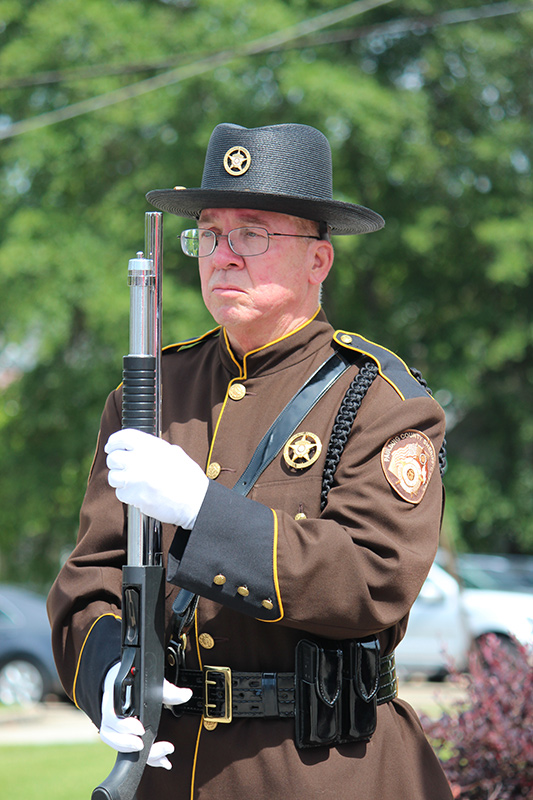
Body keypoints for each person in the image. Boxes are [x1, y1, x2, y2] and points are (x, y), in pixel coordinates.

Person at [47, 122, 452, 799]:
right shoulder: (153, 392)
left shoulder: (377, 399)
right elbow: (89, 580)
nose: (223, 256)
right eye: (208, 234)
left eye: (253, 234)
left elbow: (370, 579)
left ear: (317, 262)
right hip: (173, 769)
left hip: (322, 768)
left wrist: (206, 514)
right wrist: (110, 676)